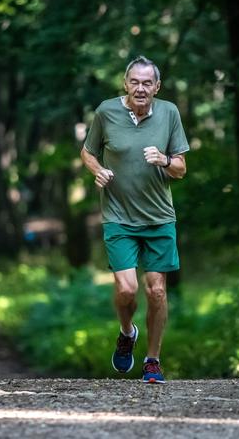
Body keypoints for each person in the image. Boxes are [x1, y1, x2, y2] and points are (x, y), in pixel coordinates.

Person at [80, 56, 189, 384]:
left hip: (159, 218)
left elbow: (181, 168)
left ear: (157, 86)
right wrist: (97, 170)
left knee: (156, 290)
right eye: (135, 82)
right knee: (127, 290)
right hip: (119, 216)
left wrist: (165, 159)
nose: (140, 88)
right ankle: (127, 332)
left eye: (147, 83)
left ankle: (153, 361)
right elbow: (87, 152)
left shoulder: (169, 113)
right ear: (125, 84)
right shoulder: (106, 111)